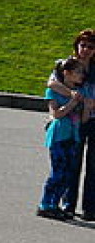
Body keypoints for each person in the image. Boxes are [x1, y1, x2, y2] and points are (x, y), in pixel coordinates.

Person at [45, 29, 95, 219]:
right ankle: (68, 205)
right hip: (73, 119)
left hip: (92, 118)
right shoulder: (66, 64)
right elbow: (52, 84)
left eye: (91, 47)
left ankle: (90, 208)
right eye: (83, 45)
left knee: (93, 165)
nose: (86, 50)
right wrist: (76, 97)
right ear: (77, 46)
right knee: (73, 162)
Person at [40, 57, 89, 220]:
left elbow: (82, 119)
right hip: (59, 136)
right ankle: (45, 204)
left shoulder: (79, 93)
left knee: (68, 173)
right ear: (66, 73)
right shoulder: (53, 92)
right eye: (78, 72)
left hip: (72, 136)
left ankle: (56, 204)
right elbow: (57, 114)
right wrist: (72, 103)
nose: (81, 75)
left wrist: (86, 108)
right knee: (58, 172)